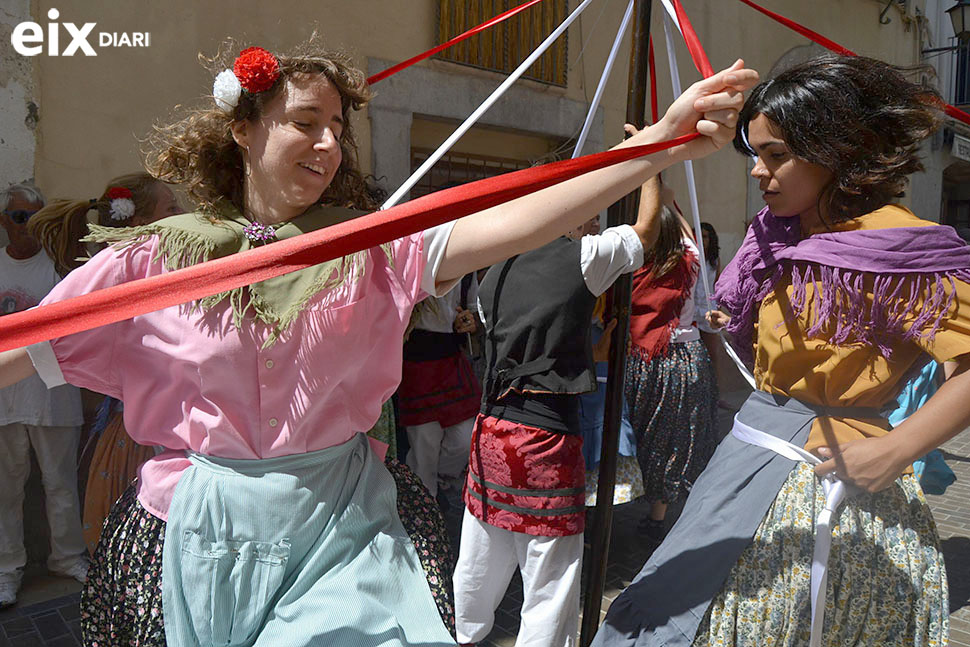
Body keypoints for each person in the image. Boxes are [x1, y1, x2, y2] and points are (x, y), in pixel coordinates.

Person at [0, 39, 754, 646]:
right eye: (305, 121)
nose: (328, 143)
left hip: (340, 522)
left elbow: (524, 214)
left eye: (337, 127)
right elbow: (21, 348)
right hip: (196, 528)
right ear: (242, 128)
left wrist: (657, 145)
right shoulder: (154, 259)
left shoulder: (372, 250)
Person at [593, 55, 962, 647]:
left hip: (827, 485)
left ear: (833, 150)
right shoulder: (780, 231)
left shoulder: (901, 249)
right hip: (744, 457)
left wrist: (897, 449)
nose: (758, 173)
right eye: (755, 155)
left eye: (777, 154)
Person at [453, 169, 664, 647]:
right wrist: (650, 169)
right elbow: (645, 231)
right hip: (544, 437)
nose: (590, 222)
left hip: (492, 429)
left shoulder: (494, 271)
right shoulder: (582, 258)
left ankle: (466, 636)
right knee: (550, 568)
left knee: (481, 546)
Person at [28, 173, 183, 554]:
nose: (184, 215)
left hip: (164, 436)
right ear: (139, 223)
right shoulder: (122, 266)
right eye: (172, 208)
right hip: (142, 437)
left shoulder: (171, 266)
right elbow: (43, 335)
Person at [0, 182, 87, 608]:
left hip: (53, 396)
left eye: (34, 218)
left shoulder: (58, 268)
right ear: (4, 221)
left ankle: (67, 558)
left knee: (60, 484)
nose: (27, 227)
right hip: (4, 400)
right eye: (19, 218)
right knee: (5, 488)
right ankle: (6, 569)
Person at [624, 203, 718, 544]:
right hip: (685, 360)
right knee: (674, 438)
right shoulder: (691, 261)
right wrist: (670, 202)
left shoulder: (629, 267)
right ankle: (660, 513)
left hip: (640, 358)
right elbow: (690, 239)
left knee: (639, 432)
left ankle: (629, 494)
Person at [398, 273, 482, 500]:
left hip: (451, 360)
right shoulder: (413, 264)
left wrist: (469, 321)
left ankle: (442, 482)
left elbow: (473, 310)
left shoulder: (466, 272)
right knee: (424, 447)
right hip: (416, 363)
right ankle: (425, 517)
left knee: (464, 441)